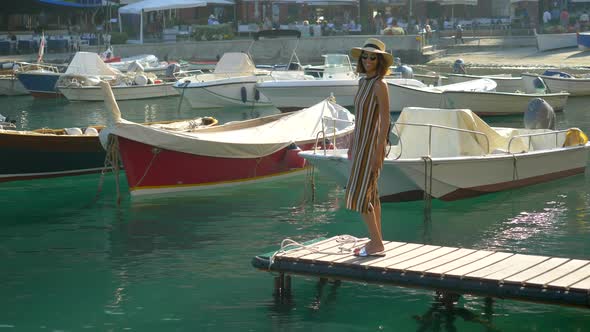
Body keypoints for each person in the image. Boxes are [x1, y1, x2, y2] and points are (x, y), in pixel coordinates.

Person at [346, 38, 392, 257]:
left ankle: (376, 244)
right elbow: (359, 117)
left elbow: (385, 120)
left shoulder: (379, 85)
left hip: (372, 145)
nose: (367, 60)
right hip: (361, 143)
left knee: (361, 195)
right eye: (364, 56)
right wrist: (352, 142)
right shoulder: (363, 82)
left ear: (380, 60)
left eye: (373, 57)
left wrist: (379, 150)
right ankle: (378, 241)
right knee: (372, 195)